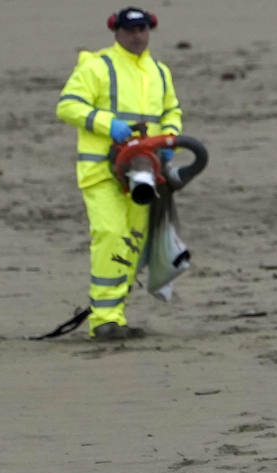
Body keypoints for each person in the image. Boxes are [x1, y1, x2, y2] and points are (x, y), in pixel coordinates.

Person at [56, 6, 182, 340]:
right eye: (130, 30)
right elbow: (67, 105)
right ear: (116, 32)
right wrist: (107, 124)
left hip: (144, 173)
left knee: (134, 242)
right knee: (111, 234)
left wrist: (169, 139)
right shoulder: (97, 67)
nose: (137, 35)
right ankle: (104, 320)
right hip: (102, 171)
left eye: (142, 29)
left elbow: (171, 109)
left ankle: (116, 316)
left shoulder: (159, 72)